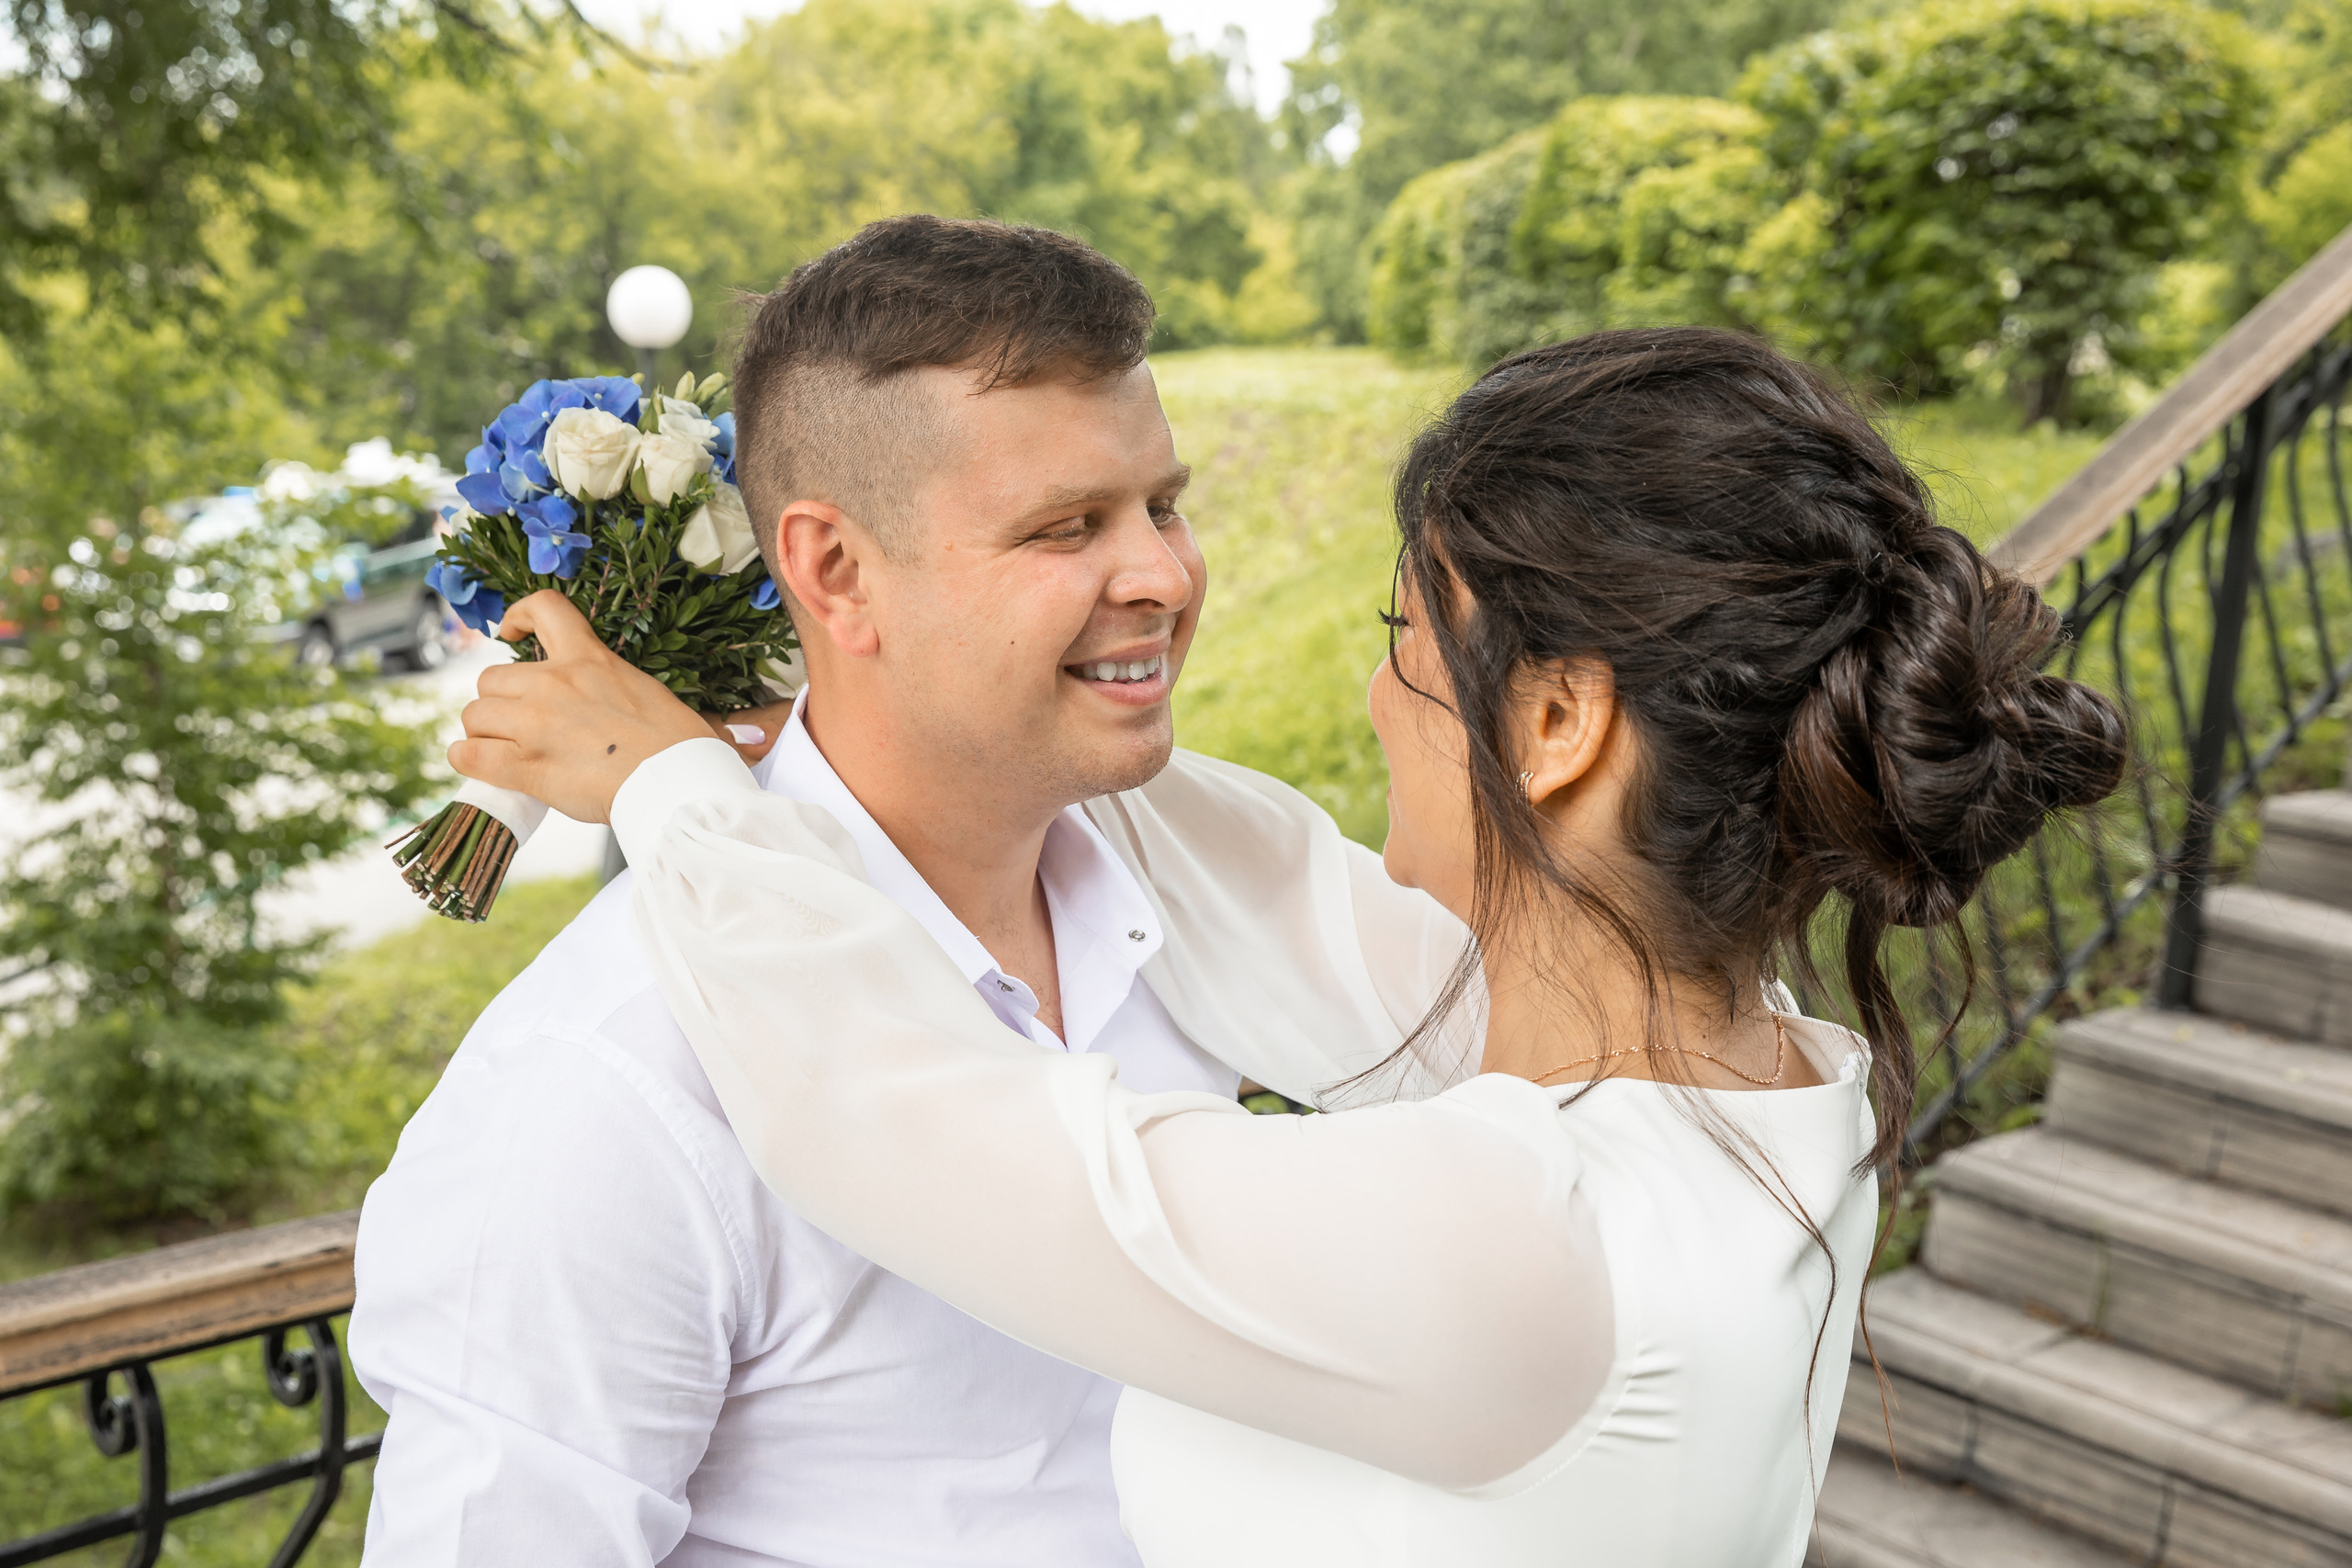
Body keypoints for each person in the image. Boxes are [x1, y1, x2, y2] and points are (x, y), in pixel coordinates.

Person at [453, 327, 2131, 1565]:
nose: (1377, 688)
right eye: (1072, 526)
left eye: (1408, 630)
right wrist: (942, 685)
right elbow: (1285, 895)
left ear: (1552, 719)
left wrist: (671, 794)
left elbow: (900, 1116)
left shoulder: (1522, 1236)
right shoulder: (1770, 1074)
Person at [349, 216, 1468, 1565]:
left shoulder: (1195, 903)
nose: (1166, 576)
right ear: (832, 570)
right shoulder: (603, 1089)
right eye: (1066, 528)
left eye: (1162, 504)